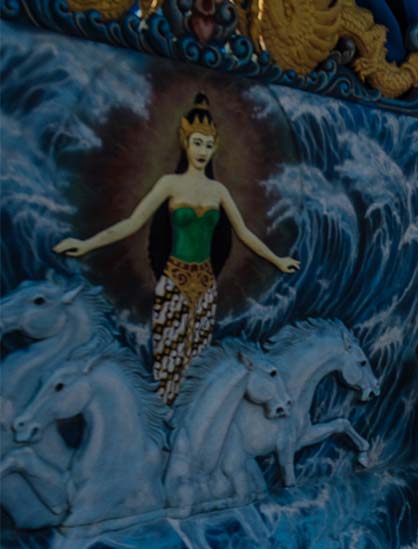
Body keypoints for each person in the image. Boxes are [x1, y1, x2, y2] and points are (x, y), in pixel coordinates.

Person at [54, 93, 299, 404]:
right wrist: (85, 244)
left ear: (214, 148)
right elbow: (131, 223)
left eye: (208, 145)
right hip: (174, 280)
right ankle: (162, 416)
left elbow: (244, 233)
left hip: (205, 284)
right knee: (169, 356)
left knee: (196, 360)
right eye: (197, 143)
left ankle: (187, 421)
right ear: (186, 143)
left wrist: (277, 260)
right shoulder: (170, 184)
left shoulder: (218, 190)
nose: (203, 151)